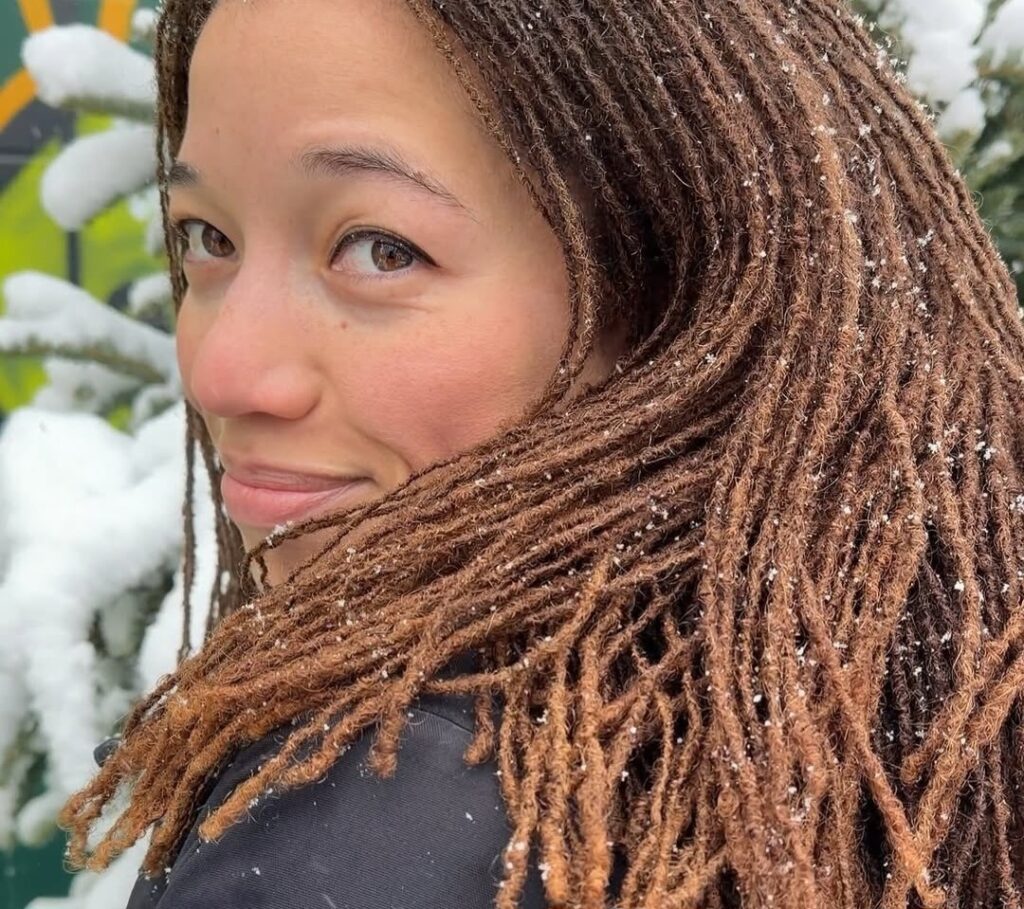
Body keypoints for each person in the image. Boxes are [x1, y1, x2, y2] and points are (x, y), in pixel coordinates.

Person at [58, 0, 1024, 905]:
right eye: (207, 237)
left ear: (676, 297)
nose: (220, 371)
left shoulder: (386, 816)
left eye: (381, 249)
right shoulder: (850, 732)